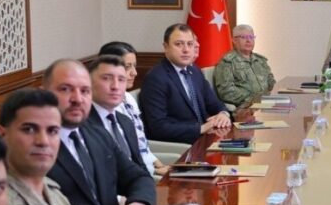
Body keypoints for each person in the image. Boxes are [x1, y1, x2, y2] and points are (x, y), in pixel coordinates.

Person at [42, 59, 156, 205]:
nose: (77, 99)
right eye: (65, 89)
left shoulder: (98, 135)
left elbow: (138, 177)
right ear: (44, 94)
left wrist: (139, 203)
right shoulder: (35, 149)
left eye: (84, 91)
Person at [139, 23, 232, 144]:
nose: (186, 50)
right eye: (179, 44)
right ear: (166, 47)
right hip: (181, 145)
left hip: (206, 138)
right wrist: (201, 128)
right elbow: (158, 127)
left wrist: (223, 114)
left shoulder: (194, 71)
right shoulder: (156, 78)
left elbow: (215, 104)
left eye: (190, 44)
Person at [98, 41, 168, 176]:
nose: (134, 73)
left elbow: (141, 142)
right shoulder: (106, 107)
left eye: (134, 66)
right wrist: (154, 171)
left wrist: (159, 165)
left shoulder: (129, 98)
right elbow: (121, 154)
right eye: (127, 67)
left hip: (145, 169)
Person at [84, 55, 144, 168]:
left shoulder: (126, 121)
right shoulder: (82, 126)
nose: (115, 86)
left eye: (121, 79)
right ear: (89, 83)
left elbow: (140, 167)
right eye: (106, 78)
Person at [213, 24, 277, 107]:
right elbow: (226, 92)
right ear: (234, 40)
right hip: (246, 107)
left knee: (289, 105)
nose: (248, 40)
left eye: (251, 37)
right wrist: (255, 99)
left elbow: (271, 82)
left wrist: (274, 94)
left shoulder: (260, 60)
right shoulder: (227, 63)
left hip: (266, 102)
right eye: (244, 37)